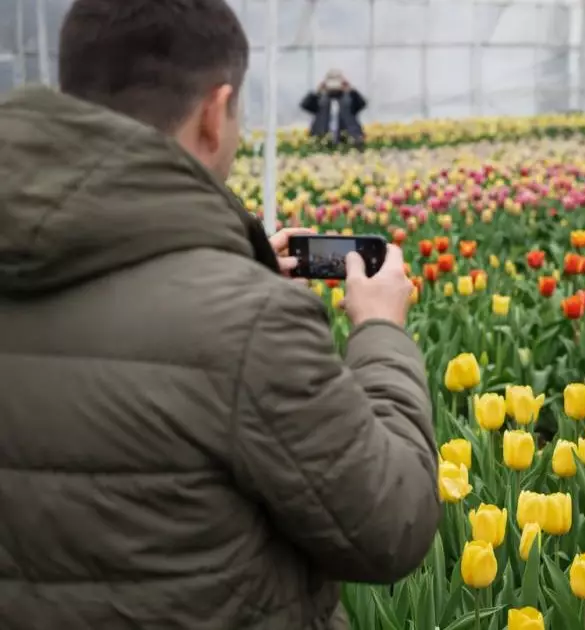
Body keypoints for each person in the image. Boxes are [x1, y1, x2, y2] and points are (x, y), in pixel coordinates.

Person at [0, 1, 439, 628]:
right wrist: (380, 333)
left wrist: (240, 271)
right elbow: (391, 525)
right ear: (214, 113)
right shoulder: (252, 325)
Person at [301, 69, 368, 148]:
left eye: (336, 81)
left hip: (348, 138)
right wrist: (317, 91)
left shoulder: (349, 98)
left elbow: (362, 104)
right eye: (331, 81)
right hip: (322, 138)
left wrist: (351, 90)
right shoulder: (320, 99)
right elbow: (305, 105)